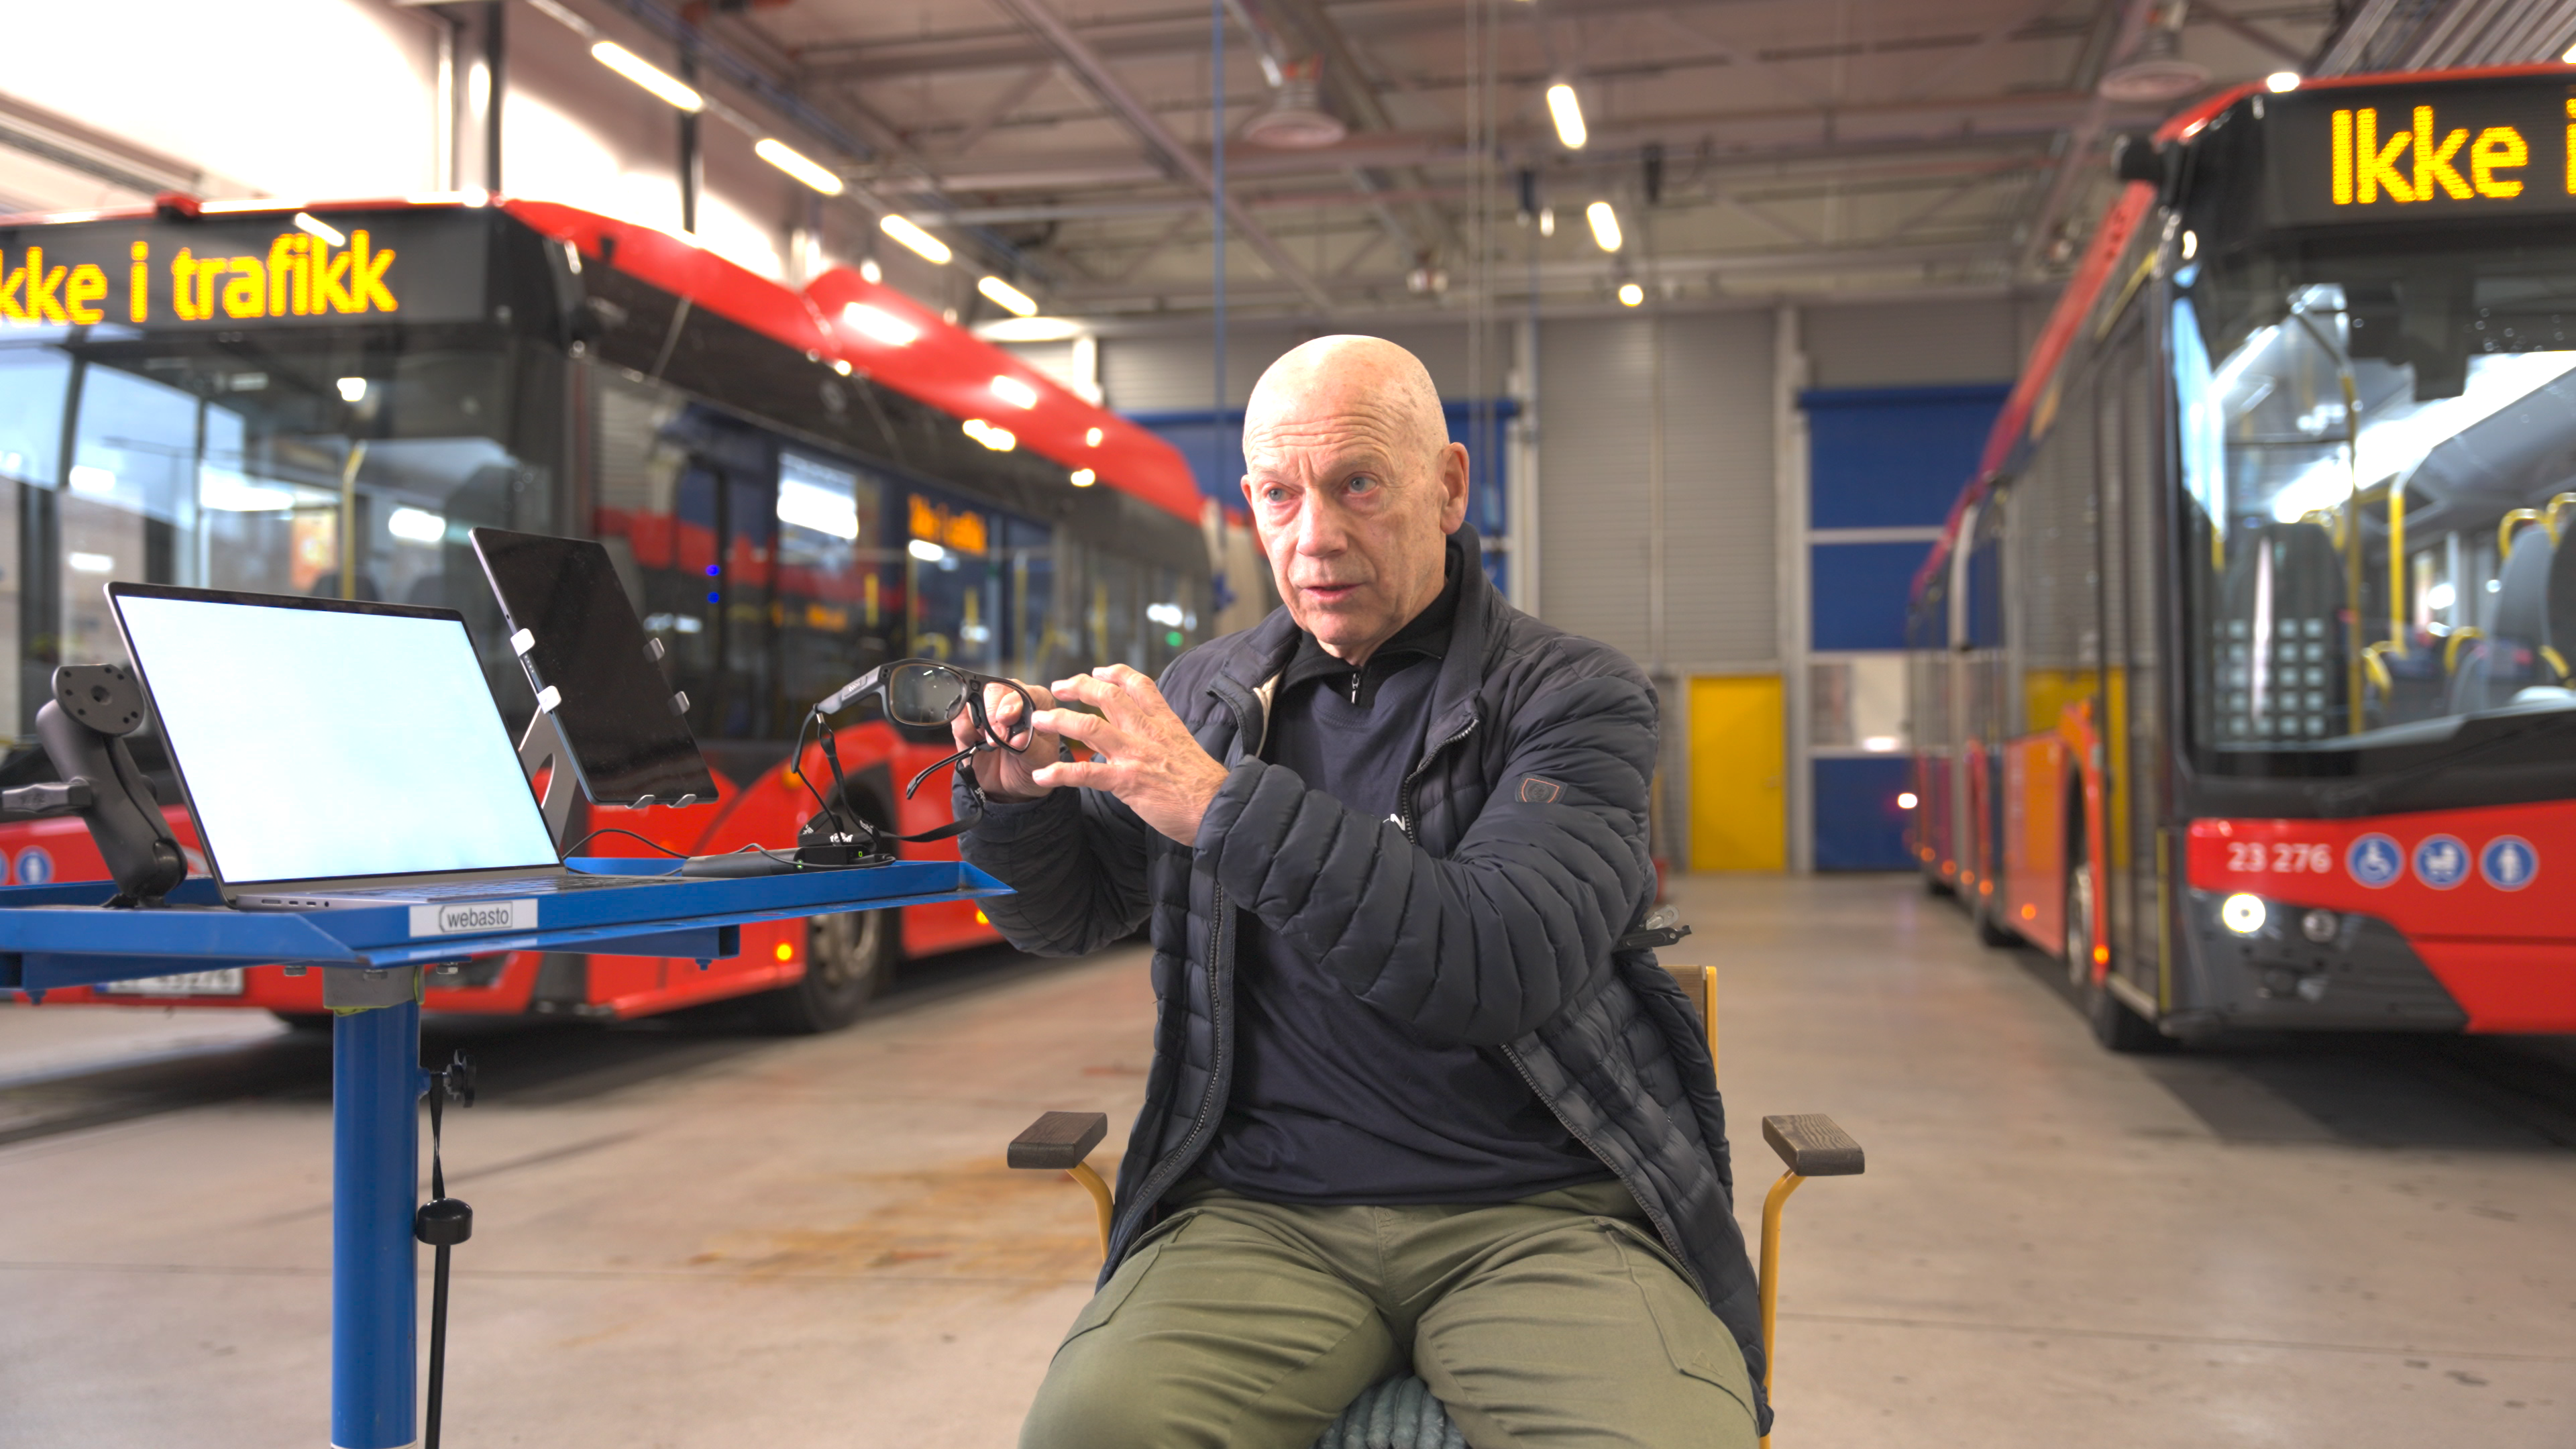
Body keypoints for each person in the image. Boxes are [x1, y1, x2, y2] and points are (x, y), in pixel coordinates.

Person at [953, 335, 1765, 1449]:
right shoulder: (1207, 691)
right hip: (1257, 1217)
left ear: (1449, 488)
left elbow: (1497, 964)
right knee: (1089, 1434)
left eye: (1359, 486)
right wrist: (1014, 802)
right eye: (1280, 496)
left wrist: (1213, 802)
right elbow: (1072, 915)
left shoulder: (1574, 695)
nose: (1315, 537)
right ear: (1250, 502)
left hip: (1539, 1218)